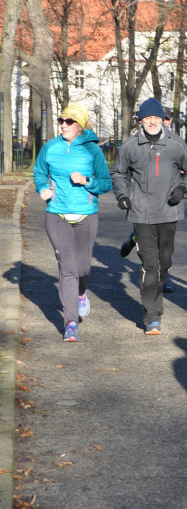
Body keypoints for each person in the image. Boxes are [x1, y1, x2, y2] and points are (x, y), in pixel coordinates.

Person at [111, 97, 187, 335]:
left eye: (156, 118)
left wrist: (182, 189)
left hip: (169, 213)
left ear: (162, 120)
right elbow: (118, 174)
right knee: (150, 266)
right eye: (147, 118)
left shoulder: (176, 145)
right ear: (141, 120)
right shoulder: (130, 146)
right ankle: (152, 316)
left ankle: (154, 299)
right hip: (141, 215)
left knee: (164, 263)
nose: (152, 121)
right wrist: (122, 196)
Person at [33, 102, 112, 342]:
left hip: (86, 214)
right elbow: (38, 172)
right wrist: (42, 188)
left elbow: (106, 183)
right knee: (67, 268)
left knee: (83, 268)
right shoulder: (50, 147)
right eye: (62, 121)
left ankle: (80, 294)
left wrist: (87, 181)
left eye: (69, 121)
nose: (64, 125)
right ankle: (70, 322)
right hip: (56, 213)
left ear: (80, 126)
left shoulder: (93, 151)